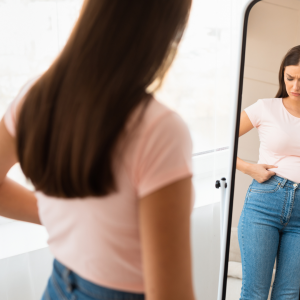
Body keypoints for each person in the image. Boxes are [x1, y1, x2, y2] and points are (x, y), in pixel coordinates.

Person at [0, 0, 196, 299]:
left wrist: (64, 214)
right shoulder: (160, 129)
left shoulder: (32, 96)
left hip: (58, 286)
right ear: (164, 31)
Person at [237, 45, 300, 300]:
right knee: (255, 292)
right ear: (282, 75)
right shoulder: (265, 107)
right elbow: (222, 141)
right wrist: (249, 167)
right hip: (265, 202)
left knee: (289, 294)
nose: (295, 86)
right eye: (290, 78)